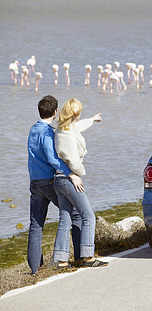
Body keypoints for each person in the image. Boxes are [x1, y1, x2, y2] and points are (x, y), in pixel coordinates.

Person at [27, 95, 83, 275]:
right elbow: (52, 158)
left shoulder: (33, 129)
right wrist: (71, 174)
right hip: (49, 182)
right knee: (75, 213)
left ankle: (36, 270)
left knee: (36, 225)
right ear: (55, 112)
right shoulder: (47, 132)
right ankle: (81, 257)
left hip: (34, 182)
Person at [53, 98, 107, 268]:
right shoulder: (67, 136)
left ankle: (61, 261)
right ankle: (87, 256)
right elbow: (74, 163)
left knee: (65, 218)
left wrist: (92, 119)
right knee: (88, 216)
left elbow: (78, 127)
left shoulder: (62, 129)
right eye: (80, 112)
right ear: (75, 113)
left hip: (59, 178)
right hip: (70, 179)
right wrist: (81, 173)